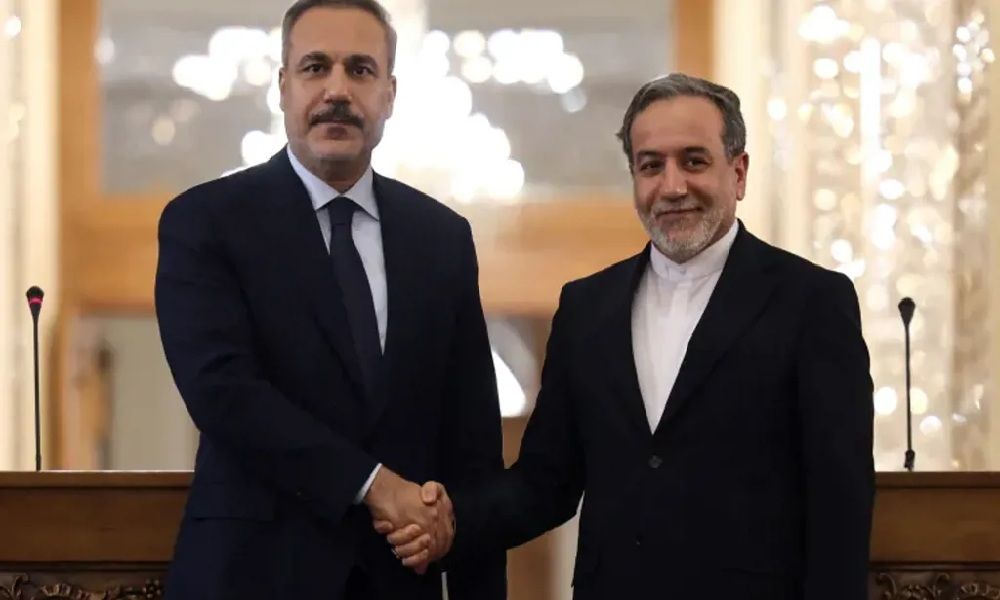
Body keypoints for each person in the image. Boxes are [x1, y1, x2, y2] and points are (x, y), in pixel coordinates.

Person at [384, 73, 875, 599]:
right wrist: (448, 522)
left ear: (738, 172)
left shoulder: (811, 301)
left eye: (694, 161)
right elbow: (545, 484)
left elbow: (839, 502)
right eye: (651, 165)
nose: (672, 186)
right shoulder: (586, 308)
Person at [154, 1, 505, 598]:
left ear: (390, 94)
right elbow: (224, 394)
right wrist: (374, 484)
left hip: (397, 582)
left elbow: (471, 442)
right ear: (282, 87)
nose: (337, 90)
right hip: (252, 577)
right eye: (315, 67)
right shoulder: (206, 222)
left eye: (360, 70)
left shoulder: (441, 238)